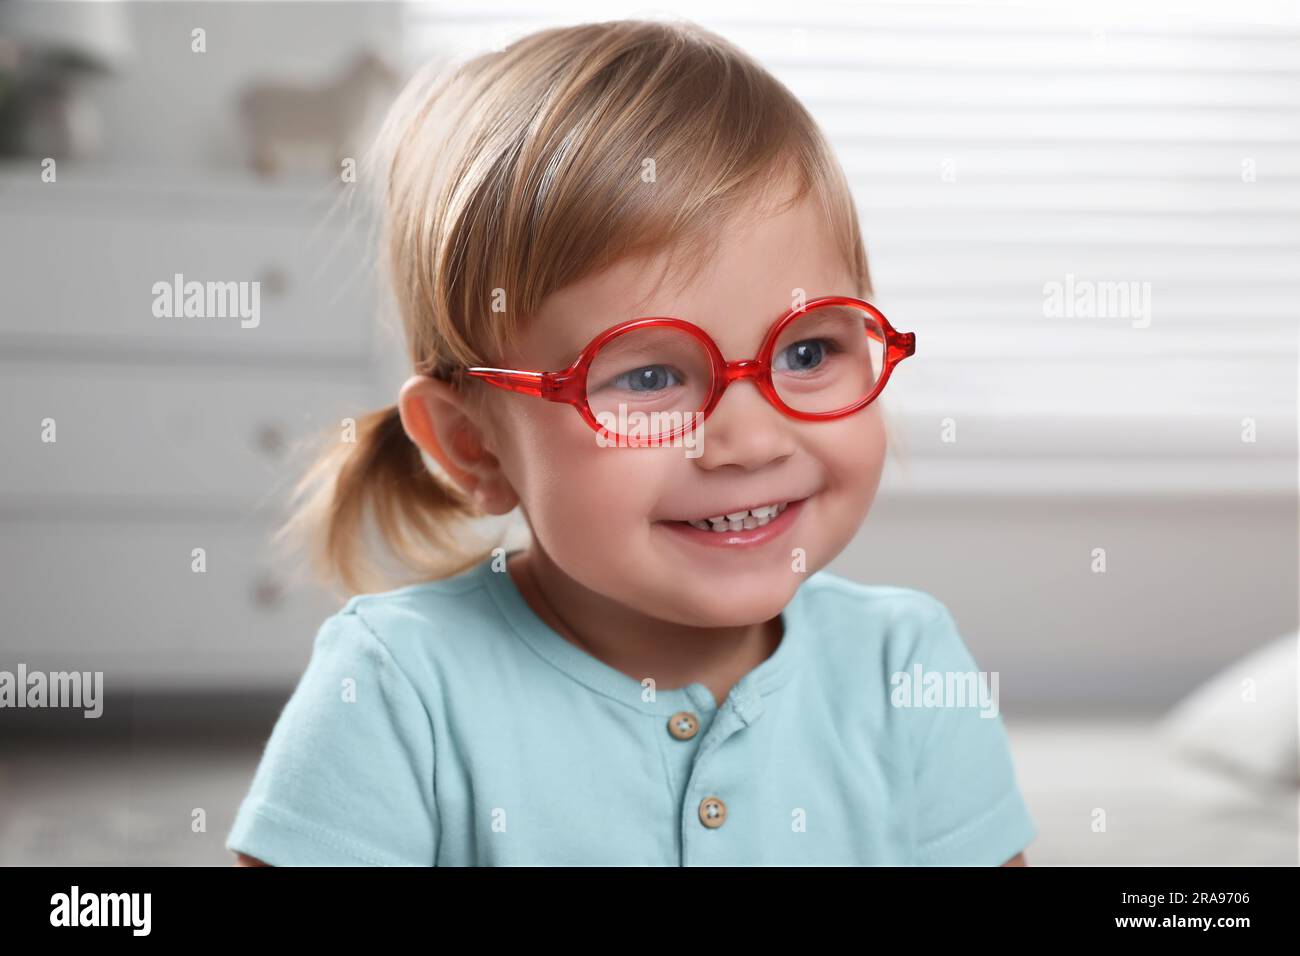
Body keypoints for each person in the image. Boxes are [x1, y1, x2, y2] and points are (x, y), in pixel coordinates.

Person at [226, 18, 1035, 866]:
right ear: (474, 446)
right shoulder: (398, 685)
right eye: (648, 378)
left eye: (807, 352)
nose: (752, 439)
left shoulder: (906, 664)